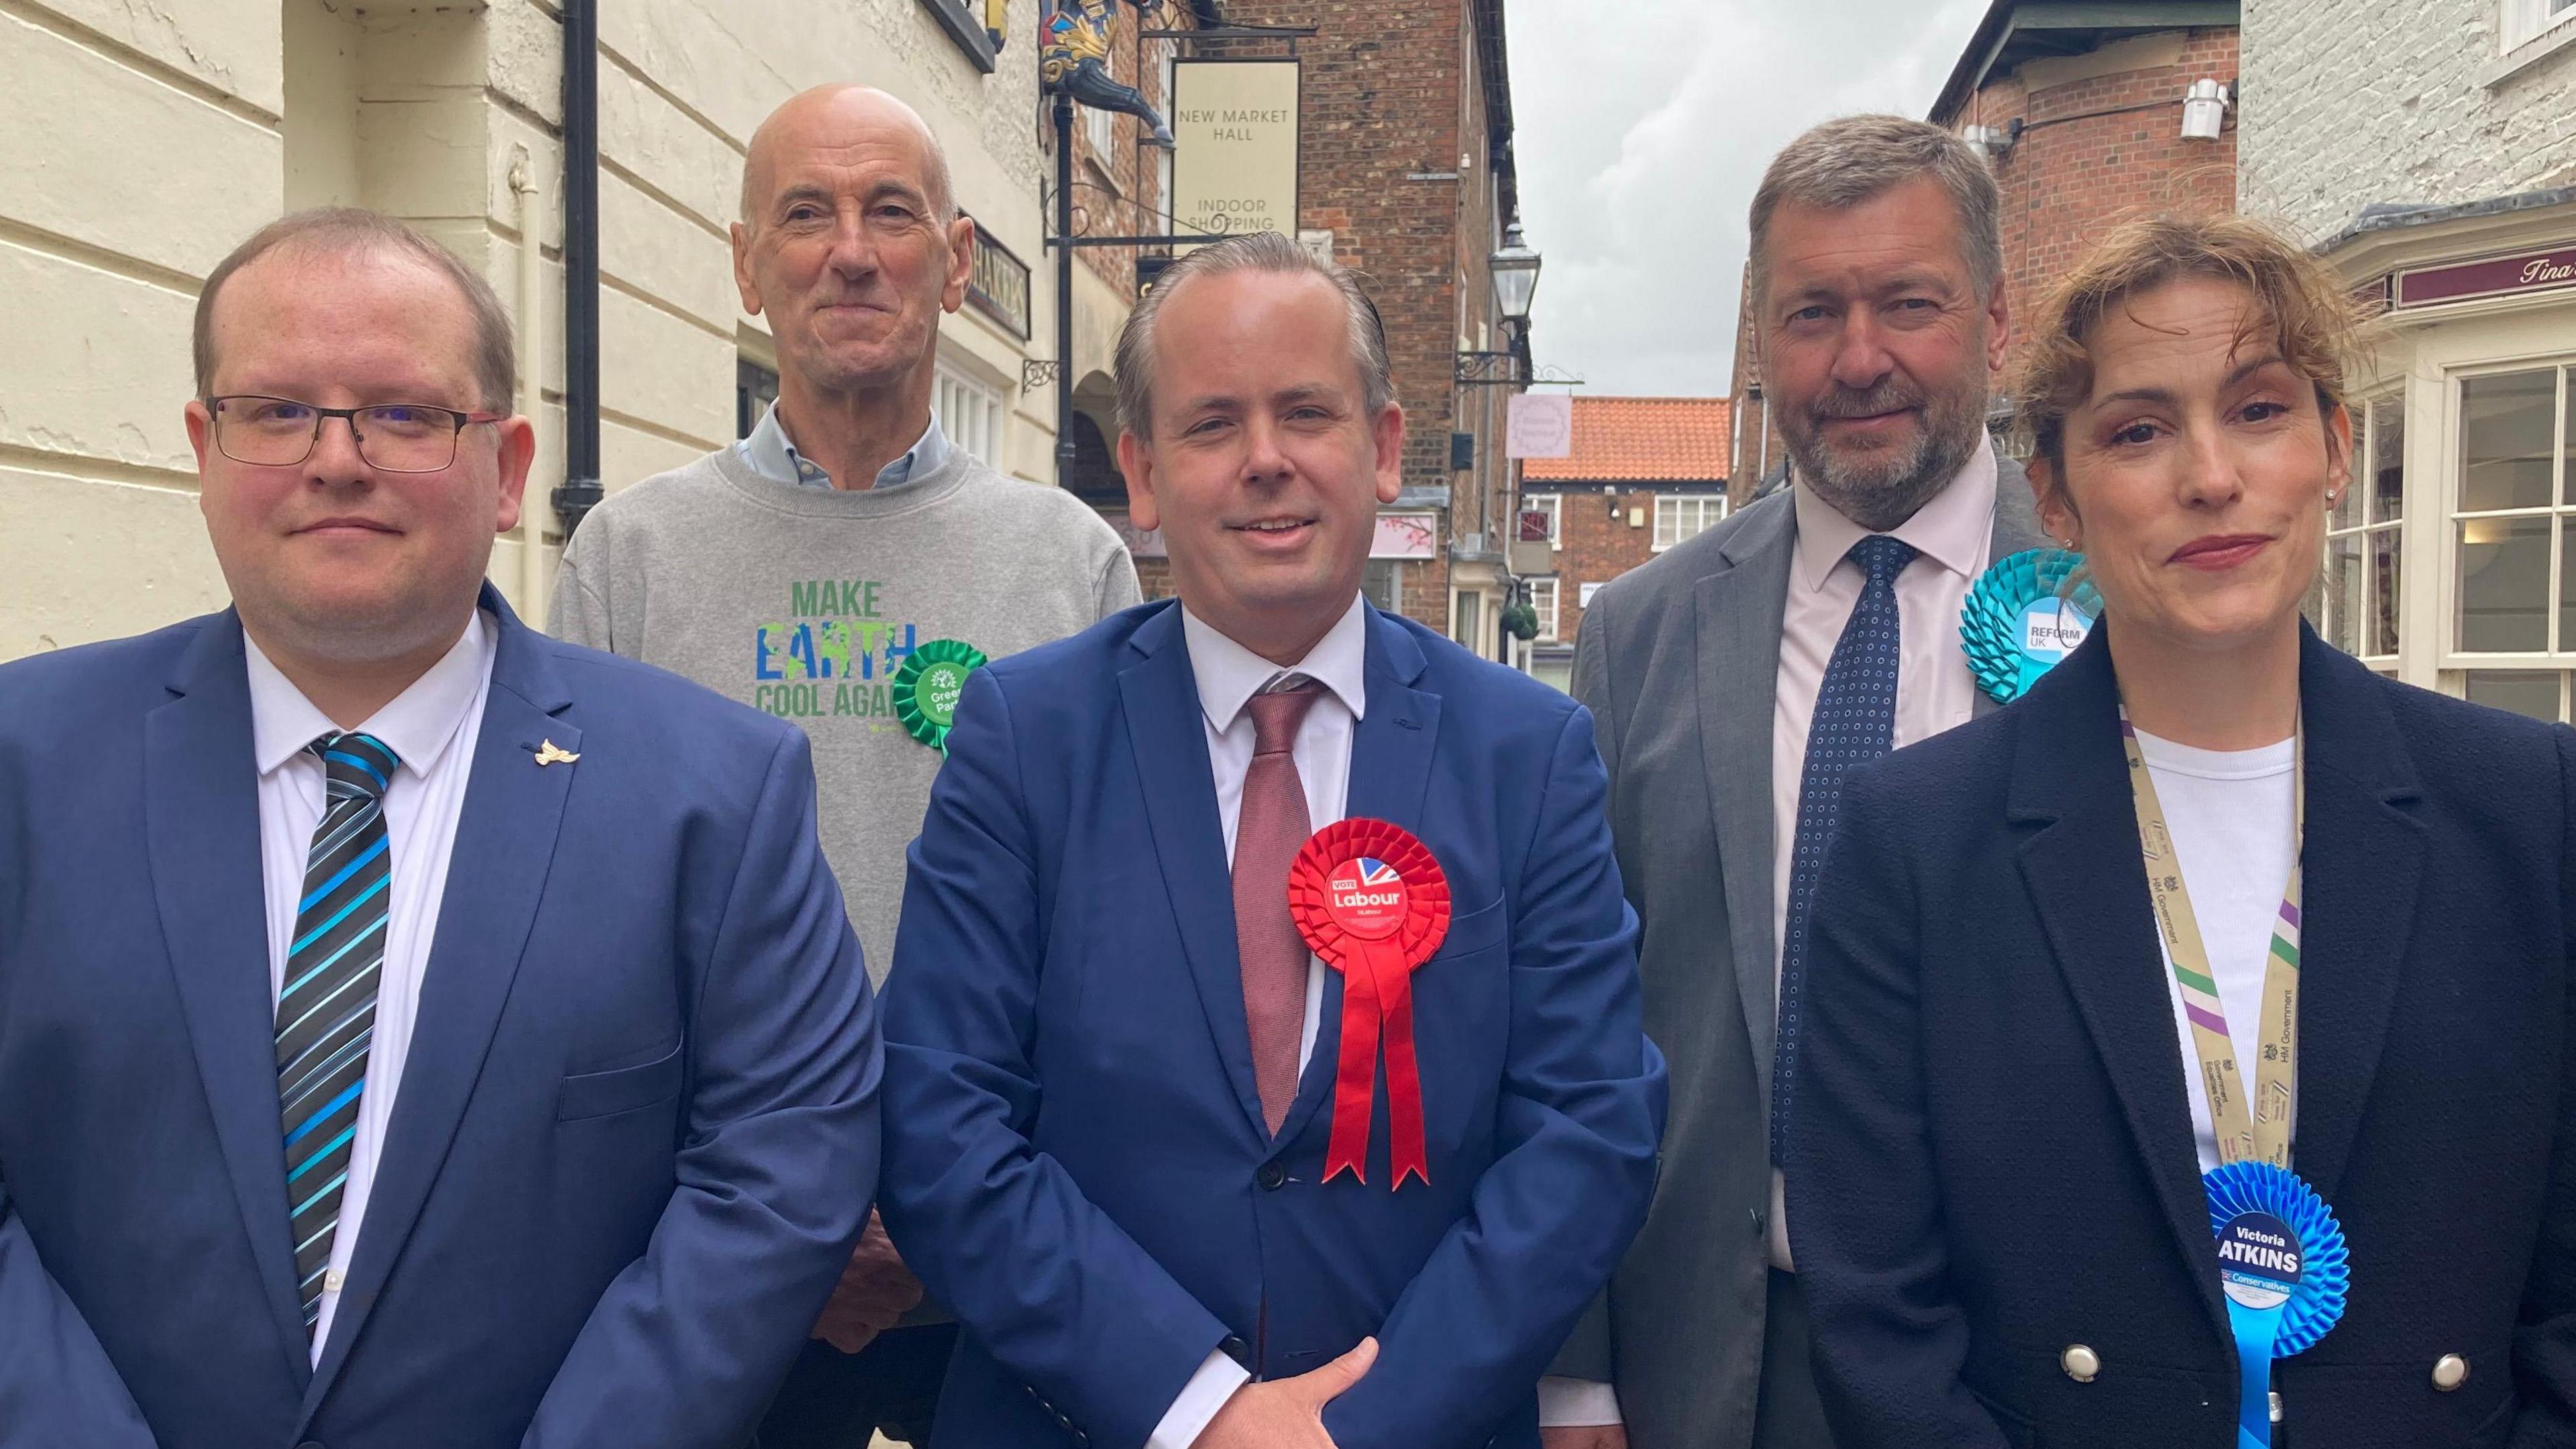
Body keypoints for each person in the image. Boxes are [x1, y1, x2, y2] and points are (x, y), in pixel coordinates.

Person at [0, 208, 879, 1448]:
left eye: (407, 415)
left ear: (510, 468)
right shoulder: (22, 770)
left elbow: (779, 1178)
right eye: (277, 410)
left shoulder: (718, 796)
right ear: (204, 447)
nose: (337, 458)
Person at [1785, 213, 2576, 1447]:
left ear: (2335, 446)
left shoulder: (2533, 808)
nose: (2212, 476)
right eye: (2140, 431)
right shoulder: (1917, 837)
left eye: (2259, 410)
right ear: (2055, 489)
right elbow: (1879, 1310)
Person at [875, 231, 1667, 1449]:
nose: (1266, 462)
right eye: (1210, 426)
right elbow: (941, 1119)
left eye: (1307, 413)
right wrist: (1196, 1410)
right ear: (1139, 475)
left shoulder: (1530, 751)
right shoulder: (1024, 735)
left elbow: (1590, 1129)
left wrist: (1360, 1424)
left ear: (1383, 448)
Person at [548, 85, 1138, 1446]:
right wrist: (793, 1205)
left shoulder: (1071, 562)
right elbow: (583, 927)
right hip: (709, 1249)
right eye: (805, 214)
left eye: (892, 213)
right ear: (747, 262)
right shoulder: (628, 560)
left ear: (957, 257)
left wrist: (941, 1203)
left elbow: (1112, 931)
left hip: (1008, 1247)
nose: (852, 251)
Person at [1548, 115, 2047, 1446]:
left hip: (2023, 1357)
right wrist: (1578, 1374)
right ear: (1764, 341)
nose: (1860, 357)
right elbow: (1577, 1015)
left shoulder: (2116, 610)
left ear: (1997, 319)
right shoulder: (1640, 631)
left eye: (1909, 304)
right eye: (1812, 311)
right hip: (1710, 1361)